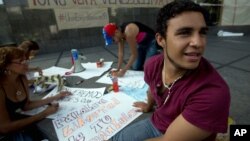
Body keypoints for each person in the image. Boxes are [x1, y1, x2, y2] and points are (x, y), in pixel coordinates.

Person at [110, 1, 230, 141]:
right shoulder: (152, 65)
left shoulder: (213, 94)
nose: (198, 43)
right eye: (185, 33)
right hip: (156, 122)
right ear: (161, 39)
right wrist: (149, 106)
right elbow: (151, 88)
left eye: (202, 33)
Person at [0, 47, 71, 141]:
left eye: (25, 59)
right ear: (6, 65)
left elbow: (26, 105)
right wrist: (43, 114)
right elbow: (5, 128)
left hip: (14, 121)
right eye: (21, 61)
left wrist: (56, 96)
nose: (26, 63)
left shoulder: (21, 78)